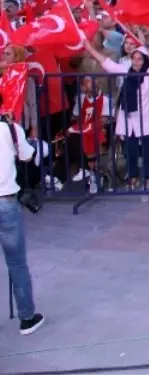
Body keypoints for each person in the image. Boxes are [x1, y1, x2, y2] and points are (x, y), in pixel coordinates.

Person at [1, 107, 45, 335]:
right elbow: (28, 155)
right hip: (6, 201)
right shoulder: (10, 129)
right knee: (16, 262)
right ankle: (27, 317)